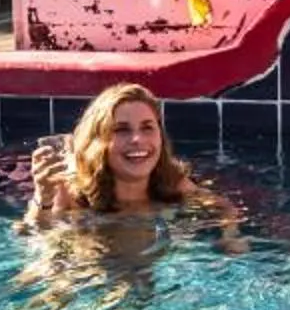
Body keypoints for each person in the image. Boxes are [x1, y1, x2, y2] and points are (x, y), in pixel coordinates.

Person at [24, 82, 207, 226]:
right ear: (96, 141)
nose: (137, 139)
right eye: (121, 130)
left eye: (147, 127)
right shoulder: (73, 193)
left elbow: (222, 208)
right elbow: (33, 236)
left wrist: (229, 237)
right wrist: (43, 198)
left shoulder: (171, 183)